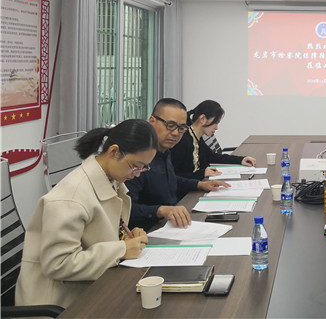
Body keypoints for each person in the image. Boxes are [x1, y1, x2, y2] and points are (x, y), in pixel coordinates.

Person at [15, 119, 156, 308]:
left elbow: (99, 234)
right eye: (136, 166)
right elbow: (59, 264)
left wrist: (128, 237)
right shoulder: (71, 196)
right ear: (114, 152)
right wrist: (122, 249)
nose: (138, 173)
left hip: (93, 286)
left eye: (144, 168)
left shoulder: (111, 181)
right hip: (58, 303)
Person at [125, 98, 230, 230]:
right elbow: (126, 209)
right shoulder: (136, 158)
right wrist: (160, 210)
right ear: (152, 121)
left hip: (172, 222)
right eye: (170, 125)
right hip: (149, 231)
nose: (175, 133)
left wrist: (200, 184)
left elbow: (170, 180)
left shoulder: (165, 151)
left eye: (181, 128)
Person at [170, 99, 256, 182]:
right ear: (202, 119)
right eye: (216, 122)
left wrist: (240, 160)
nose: (216, 127)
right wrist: (202, 173)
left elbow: (212, 156)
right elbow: (173, 176)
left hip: (199, 184)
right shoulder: (183, 141)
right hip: (189, 191)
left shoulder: (197, 138)